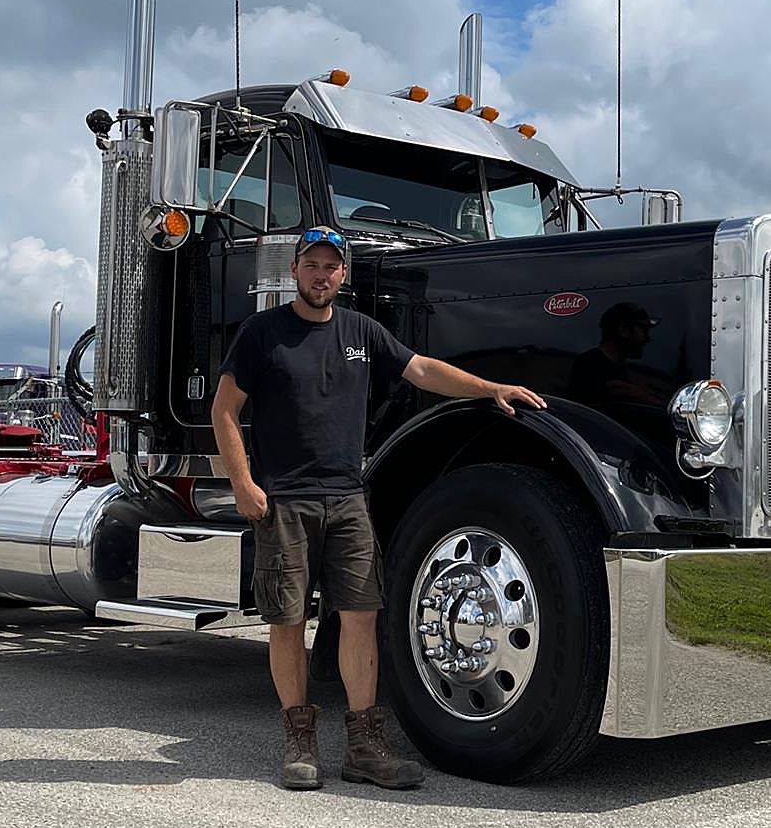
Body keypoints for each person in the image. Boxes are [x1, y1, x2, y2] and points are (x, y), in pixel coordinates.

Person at [211, 225, 547, 791]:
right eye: (312, 265)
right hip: (285, 501)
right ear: (295, 272)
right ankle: (300, 741)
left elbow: (423, 370)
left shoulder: (362, 332)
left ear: (344, 274)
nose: (322, 275)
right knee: (287, 621)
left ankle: (363, 748)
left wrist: (489, 387)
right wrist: (243, 483)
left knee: (360, 617)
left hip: (348, 498)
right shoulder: (261, 333)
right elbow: (225, 410)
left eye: (331, 267)